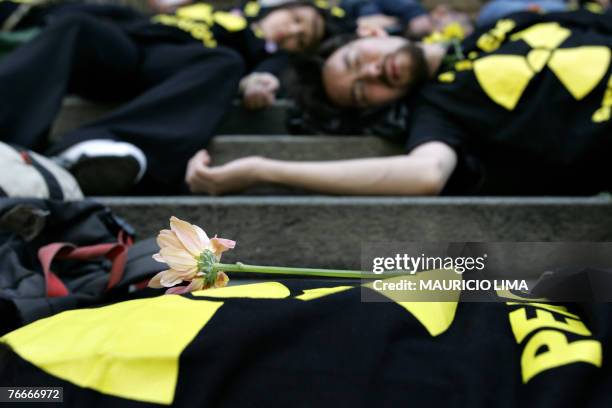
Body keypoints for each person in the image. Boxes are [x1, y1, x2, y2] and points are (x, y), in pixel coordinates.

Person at [185, 9, 612, 196]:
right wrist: (263, 169)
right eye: (359, 91)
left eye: (357, 61)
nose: (370, 73)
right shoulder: (439, 110)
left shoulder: (500, 25)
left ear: (371, 34)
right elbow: (424, 175)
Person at [0, 0, 342, 195]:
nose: (293, 32)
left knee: (225, 61)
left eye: (303, 38)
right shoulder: (220, 10)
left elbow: (271, 75)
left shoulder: (258, 51)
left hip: (184, 68)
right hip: (133, 49)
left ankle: (103, 144)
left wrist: (256, 82)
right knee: (76, 24)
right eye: (297, 19)